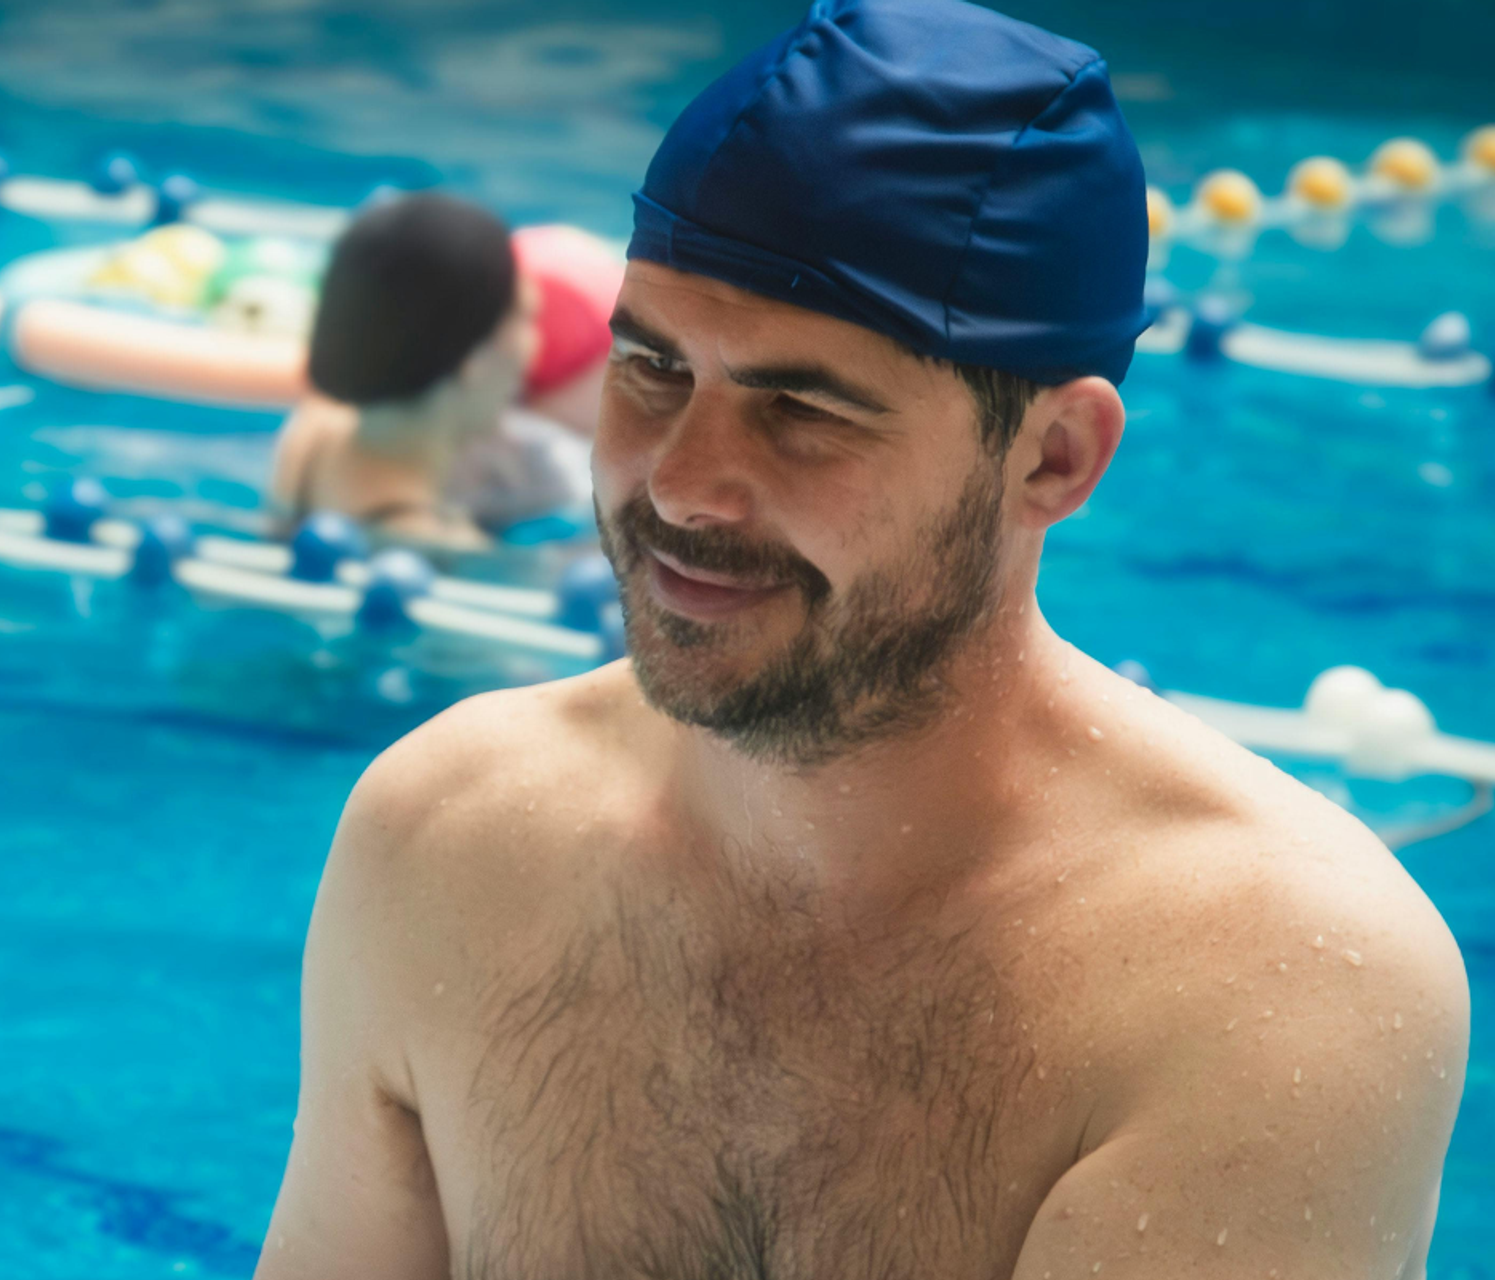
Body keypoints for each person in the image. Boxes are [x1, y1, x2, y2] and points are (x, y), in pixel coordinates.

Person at [258, 1, 1467, 1277]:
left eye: (801, 408)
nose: (680, 486)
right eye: (652, 369)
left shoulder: (1260, 983)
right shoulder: (444, 837)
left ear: (1051, 457)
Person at [268, 194, 621, 548]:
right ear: (473, 360)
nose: (537, 347)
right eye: (527, 319)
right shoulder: (441, 544)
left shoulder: (311, 430)